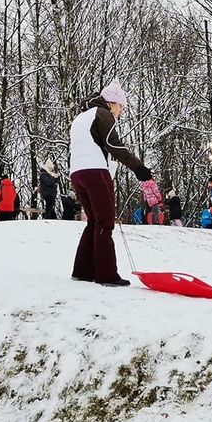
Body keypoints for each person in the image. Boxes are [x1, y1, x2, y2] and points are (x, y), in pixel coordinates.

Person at [69, 79, 160, 287]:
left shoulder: (81, 117)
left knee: (94, 221)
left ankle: (82, 270)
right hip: (94, 171)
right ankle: (106, 274)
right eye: (122, 106)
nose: (122, 111)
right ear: (112, 103)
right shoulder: (103, 114)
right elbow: (113, 145)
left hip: (77, 172)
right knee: (105, 221)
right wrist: (139, 169)